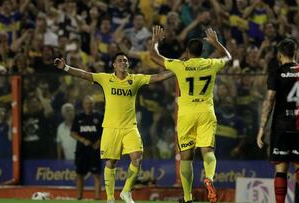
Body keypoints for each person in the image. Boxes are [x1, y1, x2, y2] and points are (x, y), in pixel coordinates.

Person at [54, 53, 173, 203]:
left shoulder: (135, 79)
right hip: (111, 128)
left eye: (125, 60)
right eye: (120, 60)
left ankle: (126, 191)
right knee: (111, 162)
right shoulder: (105, 79)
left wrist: (176, 70)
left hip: (130, 127)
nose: (123, 62)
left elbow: (156, 77)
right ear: (114, 65)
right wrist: (65, 67)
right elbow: (84, 74)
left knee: (137, 158)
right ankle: (110, 198)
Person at [150, 26, 232, 203]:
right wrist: (216, 43)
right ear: (203, 52)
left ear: (187, 52)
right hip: (206, 112)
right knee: (208, 151)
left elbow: (154, 57)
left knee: (186, 156)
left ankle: (187, 198)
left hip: (186, 114)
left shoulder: (181, 66)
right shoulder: (210, 64)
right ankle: (209, 177)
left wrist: (155, 41)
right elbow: (228, 57)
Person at [256, 38, 299, 203]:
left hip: (281, 128)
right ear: (296, 52)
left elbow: (269, 100)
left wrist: (262, 128)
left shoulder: (276, 73)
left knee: (281, 170)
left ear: (279, 54)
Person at [70, 96, 103, 200]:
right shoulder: (78, 117)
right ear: (83, 105)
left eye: (91, 103)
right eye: (87, 103)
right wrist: (83, 140)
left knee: (96, 174)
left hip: (95, 150)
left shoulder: (100, 116)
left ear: (94, 104)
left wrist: (99, 142)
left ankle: (97, 198)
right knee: (80, 174)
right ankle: (79, 197)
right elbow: (72, 133)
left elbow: (105, 132)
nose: (89, 106)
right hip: (81, 150)